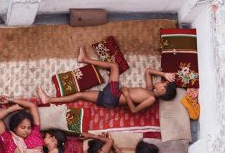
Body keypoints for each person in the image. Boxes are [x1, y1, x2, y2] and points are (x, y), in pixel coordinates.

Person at [37, 47, 177, 113]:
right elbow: (148, 71)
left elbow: (134, 110)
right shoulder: (149, 90)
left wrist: (127, 95)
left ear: (163, 90)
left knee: (114, 66)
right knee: (80, 95)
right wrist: (164, 74)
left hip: (115, 96)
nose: (159, 82)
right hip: (110, 99)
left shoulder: (151, 99)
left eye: (162, 83)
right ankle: (48, 100)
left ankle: (84, 59)